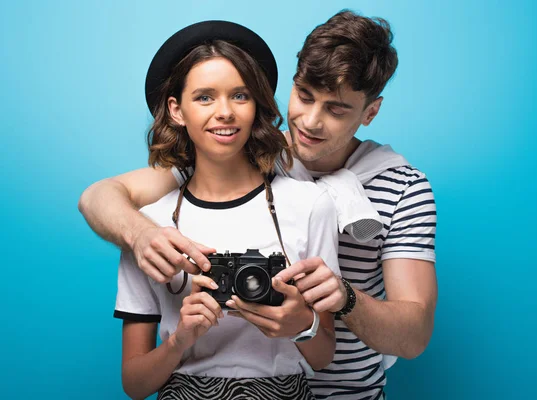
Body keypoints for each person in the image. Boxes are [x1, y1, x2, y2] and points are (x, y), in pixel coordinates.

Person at [79, 10, 438, 400]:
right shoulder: (239, 153)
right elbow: (99, 196)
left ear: (370, 111)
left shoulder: (402, 187)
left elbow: (414, 335)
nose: (311, 122)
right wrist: (143, 235)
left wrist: (341, 296)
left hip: (346, 392)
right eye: (303, 96)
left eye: (335, 109)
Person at [112, 20, 340, 400]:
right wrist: (180, 339)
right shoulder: (149, 227)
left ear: (256, 107)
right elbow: (135, 385)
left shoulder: (310, 205)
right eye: (204, 97)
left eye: (240, 95)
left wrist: (301, 323)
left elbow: (323, 357)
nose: (224, 112)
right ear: (176, 110)